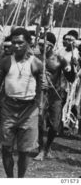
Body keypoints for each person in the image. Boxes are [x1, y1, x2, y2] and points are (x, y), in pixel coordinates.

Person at [0, 27, 44, 178]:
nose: (17, 46)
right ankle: (10, 178)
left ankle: (20, 179)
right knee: (6, 148)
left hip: (29, 110)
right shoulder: (6, 61)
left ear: (28, 43)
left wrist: (40, 106)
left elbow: (41, 88)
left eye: (21, 42)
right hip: (8, 108)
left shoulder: (37, 63)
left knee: (24, 150)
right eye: (14, 43)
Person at [34, 32, 75, 161]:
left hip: (55, 95)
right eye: (39, 44)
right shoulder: (35, 59)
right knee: (40, 122)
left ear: (51, 46)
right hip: (40, 94)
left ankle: (47, 147)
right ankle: (41, 150)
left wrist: (72, 66)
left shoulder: (59, 59)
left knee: (55, 126)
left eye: (43, 44)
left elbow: (71, 78)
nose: (41, 47)